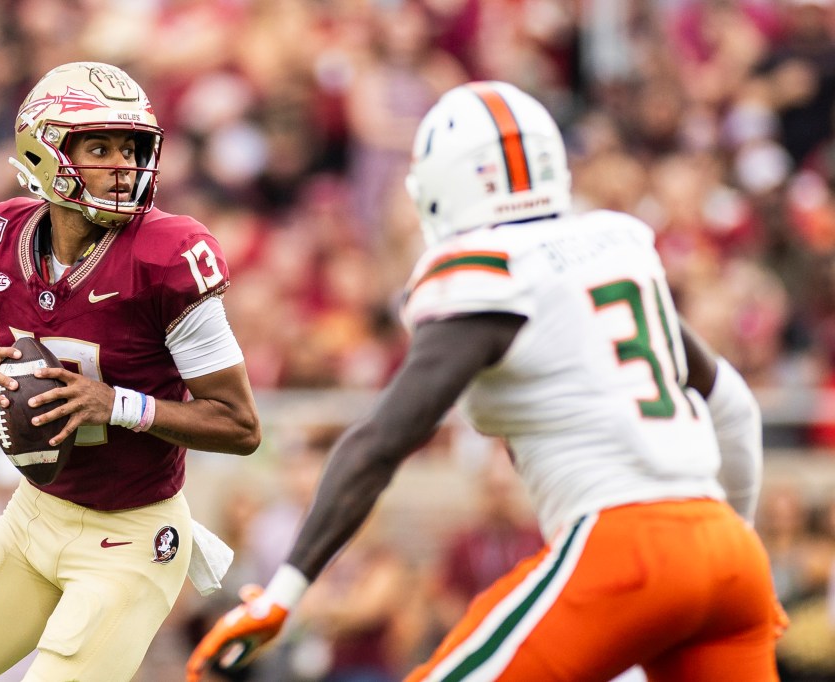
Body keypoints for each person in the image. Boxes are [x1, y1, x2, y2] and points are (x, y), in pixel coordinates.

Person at [187, 81, 785, 682]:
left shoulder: (492, 271)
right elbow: (733, 407)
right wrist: (734, 547)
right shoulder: (612, 250)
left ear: (447, 186)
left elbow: (382, 441)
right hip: (730, 555)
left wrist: (281, 593)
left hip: (623, 549)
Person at [0, 61, 261, 682]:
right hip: (32, 516)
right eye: (99, 146)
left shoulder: (166, 256)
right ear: (42, 152)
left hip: (132, 534)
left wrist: (116, 404)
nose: (122, 164)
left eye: (131, 146)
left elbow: (240, 424)